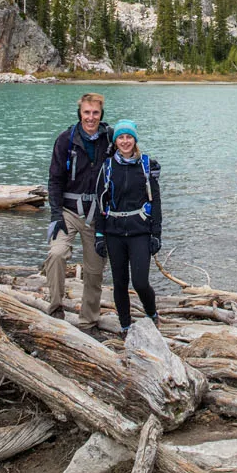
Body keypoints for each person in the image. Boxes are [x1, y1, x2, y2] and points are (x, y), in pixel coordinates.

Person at [44, 92, 114, 328]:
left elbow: (128, 159)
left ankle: (88, 321)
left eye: (95, 113)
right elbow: (54, 180)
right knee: (56, 254)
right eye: (86, 112)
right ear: (80, 113)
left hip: (98, 216)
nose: (91, 118)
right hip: (69, 212)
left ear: (101, 114)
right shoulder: (66, 140)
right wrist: (55, 215)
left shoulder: (111, 139)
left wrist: (148, 167)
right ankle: (55, 309)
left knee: (94, 271)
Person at [94, 119, 162, 334]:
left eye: (129, 137)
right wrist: (99, 235)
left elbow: (156, 201)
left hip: (139, 231)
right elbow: (100, 202)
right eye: (121, 137)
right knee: (120, 283)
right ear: (115, 141)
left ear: (135, 139)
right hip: (114, 232)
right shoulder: (107, 167)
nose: (125, 141)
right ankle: (125, 325)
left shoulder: (146, 165)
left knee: (140, 282)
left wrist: (156, 234)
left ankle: (151, 314)